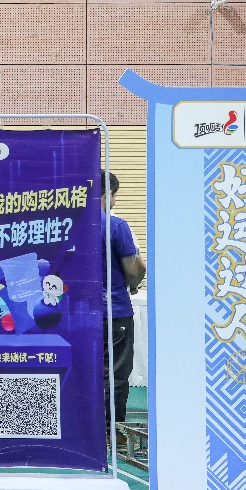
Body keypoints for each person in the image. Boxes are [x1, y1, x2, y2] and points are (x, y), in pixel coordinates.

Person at [100, 170, 146, 442]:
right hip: (114, 310)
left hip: (78, 312)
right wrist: (134, 283)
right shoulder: (116, 226)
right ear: (109, 194)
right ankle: (110, 432)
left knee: (86, 371)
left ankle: (86, 431)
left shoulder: (70, 225)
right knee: (115, 374)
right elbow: (133, 269)